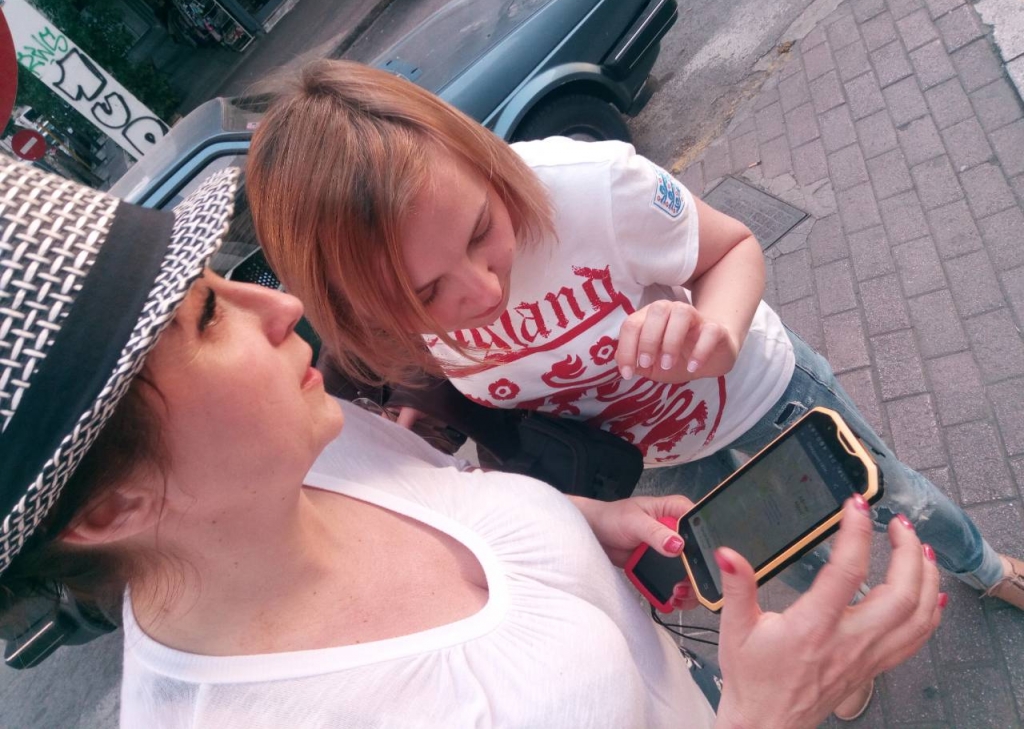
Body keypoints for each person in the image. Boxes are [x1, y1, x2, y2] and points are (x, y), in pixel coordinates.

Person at [0, 158, 942, 728]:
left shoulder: (321, 444)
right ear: (111, 506)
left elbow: (454, 498)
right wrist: (768, 714)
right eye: (208, 317)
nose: (279, 307)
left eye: (220, 279)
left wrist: (593, 522)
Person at [246, 59, 1024, 615]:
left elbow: (733, 247)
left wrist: (716, 329)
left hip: (760, 392)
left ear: (480, 160)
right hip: (662, 454)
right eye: (426, 295)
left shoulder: (591, 188)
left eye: (482, 229)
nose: (482, 293)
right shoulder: (392, 341)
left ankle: (985, 566)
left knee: (892, 495)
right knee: (774, 544)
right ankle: (842, 622)